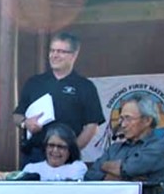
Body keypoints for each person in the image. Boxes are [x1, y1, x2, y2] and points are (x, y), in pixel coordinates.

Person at [13, 32, 104, 165]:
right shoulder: (34, 82)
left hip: (67, 158)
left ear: (74, 55)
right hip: (34, 155)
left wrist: (71, 151)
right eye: (52, 50)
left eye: (61, 51)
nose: (54, 55)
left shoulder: (85, 86)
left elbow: (92, 126)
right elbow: (17, 115)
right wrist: (25, 123)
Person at [85, 93, 164, 192]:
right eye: (121, 118)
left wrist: (106, 168)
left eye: (128, 118)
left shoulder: (160, 146)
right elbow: (90, 176)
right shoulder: (114, 148)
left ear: (147, 120)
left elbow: (128, 169)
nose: (123, 124)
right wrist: (119, 178)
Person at [22, 123, 87, 181]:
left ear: (70, 149)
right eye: (51, 145)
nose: (55, 150)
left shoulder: (78, 167)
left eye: (60, 146)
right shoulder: (31, 169)